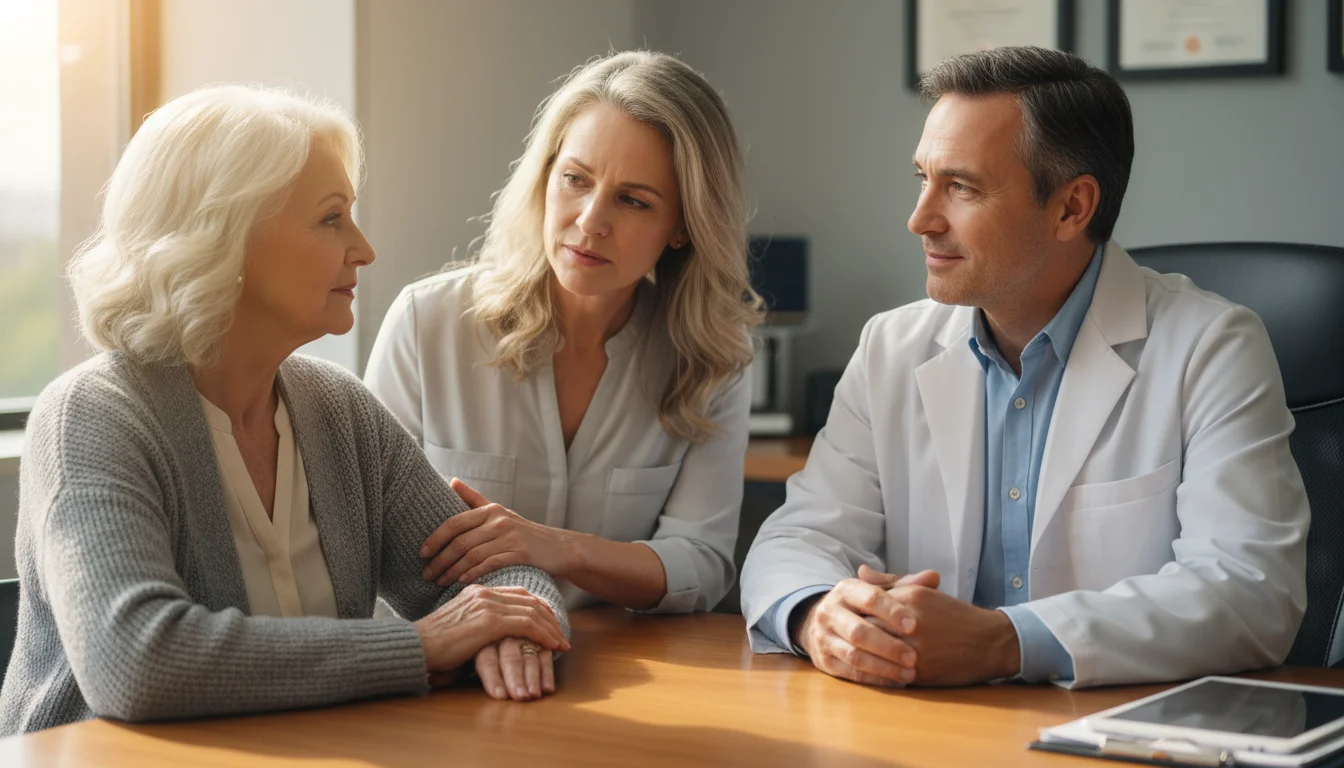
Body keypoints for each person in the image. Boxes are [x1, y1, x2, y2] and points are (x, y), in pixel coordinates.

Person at [0, 84, 571, 735]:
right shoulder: (91, 419)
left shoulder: (339, 409)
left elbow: (501, 573)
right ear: (224, 237)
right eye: (332, 219)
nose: (364, 249)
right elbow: (139, 661)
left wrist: (511, 638)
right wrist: (420, 646)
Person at [740, 46, 1308, 688]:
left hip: (1112, 730)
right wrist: (821, 614)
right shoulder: (891, 347)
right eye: (921, 179)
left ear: (1071, 208)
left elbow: (1251, 594)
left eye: (960, 187)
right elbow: (797, 538)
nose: (920, 218)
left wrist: (1002, 643)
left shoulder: (1211, 347)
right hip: (924, 728)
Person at [365, 50, 761, 622]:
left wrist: (559, 548)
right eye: (575, 179)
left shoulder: (714, 360)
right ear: (545, 177)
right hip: (446, 665)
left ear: (681, 226)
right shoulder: (426, 324)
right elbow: (370, 544)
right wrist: (504, 627)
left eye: (632, 200)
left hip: (621, 676)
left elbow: (701, 564)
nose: (590, 220)